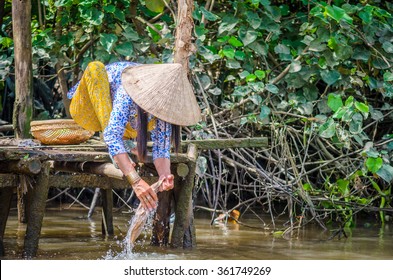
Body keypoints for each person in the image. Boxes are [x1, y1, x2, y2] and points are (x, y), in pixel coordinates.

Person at [67, 61, 201, 211]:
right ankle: (119, 148)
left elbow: (161, 148)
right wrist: (136, 181)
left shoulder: (165, 103)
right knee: (95, 67)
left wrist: (165, 175)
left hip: (126, 124)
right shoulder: (130, 89)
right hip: (87, 106)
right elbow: (112, 135)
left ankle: (122, 146)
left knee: (123, 130)